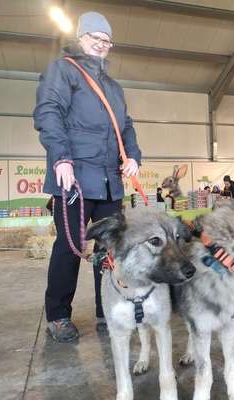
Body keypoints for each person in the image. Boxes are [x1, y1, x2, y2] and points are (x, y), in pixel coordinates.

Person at [34, 12, 142, 342]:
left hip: (110, 180)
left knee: (110, 251)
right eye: (94, 36)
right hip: (75, 177)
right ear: (80, 38)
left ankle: (106, 309)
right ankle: (57, 316)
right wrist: (61, 158)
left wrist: (134, 156)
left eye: (106, 39)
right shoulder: (63, 70)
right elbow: (48, 111)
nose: (101, 43)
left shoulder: (114, 87)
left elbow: (125, 126)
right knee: (69, 248)